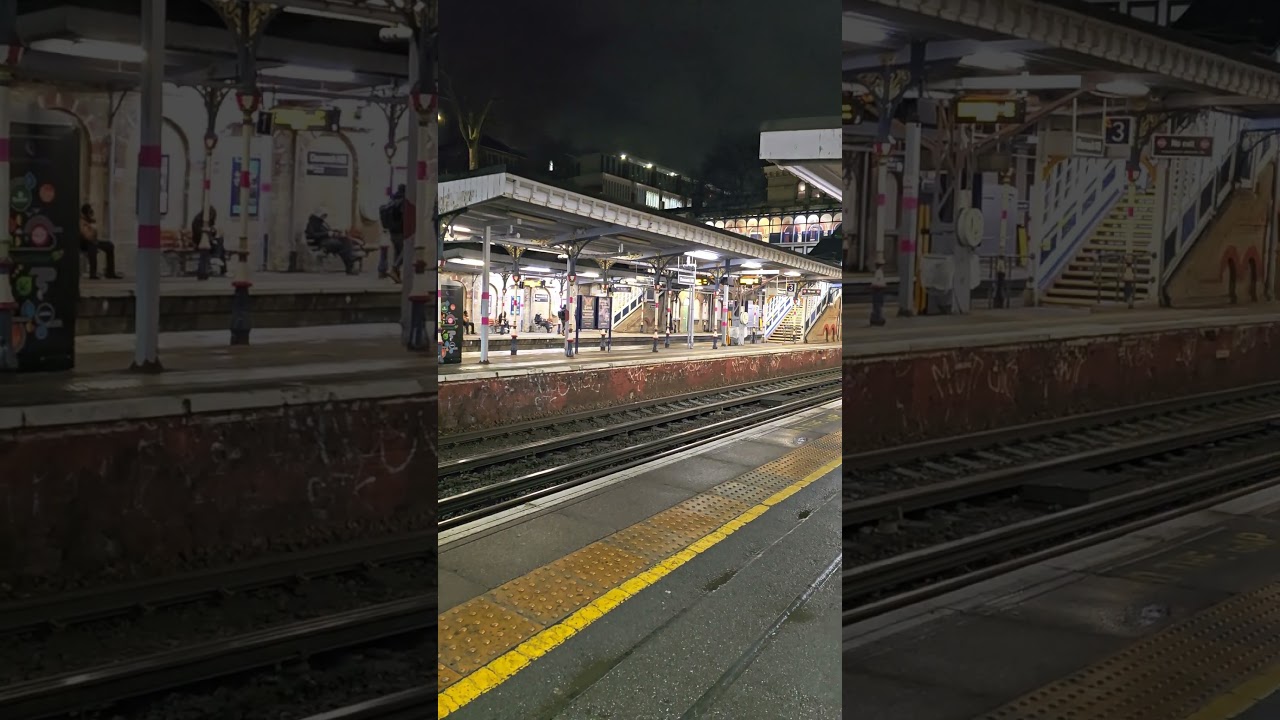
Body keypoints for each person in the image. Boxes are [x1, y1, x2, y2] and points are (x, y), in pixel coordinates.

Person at [304, 209, 358, 274]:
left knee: (346, 240)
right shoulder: (311, 224)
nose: (324, 217)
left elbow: (327, 231)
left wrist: (334, 231)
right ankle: (350, 263)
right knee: (343, 246)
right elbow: (312, 235)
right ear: (318, 215)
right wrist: (327, 233)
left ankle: (350, 263)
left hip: (328, 240)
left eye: (324, 216)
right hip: (322, 242)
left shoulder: (322, 223)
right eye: (323, 215)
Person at [79, 204, 121, 279]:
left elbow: (94, 235)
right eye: (89, 212)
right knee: (92, 247)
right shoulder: (81, 221)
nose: (91, 214)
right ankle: (93, 274)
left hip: (93, 241)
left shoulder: (91, 221)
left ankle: (110, 273)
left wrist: (92, 226)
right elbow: (87, 236)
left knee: (109, 245)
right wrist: (91, 227)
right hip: (83, 243)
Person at [378, 185, 406, 283]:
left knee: (397, 252)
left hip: (392, 231)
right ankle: (394, 268)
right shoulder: (403, 202)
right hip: (400, 231)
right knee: (406, 251)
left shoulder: (392, 201)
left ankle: (396, 276)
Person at [191, 206, 226, 280]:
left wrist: (214, 232)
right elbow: (197, 234)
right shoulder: (197, 220)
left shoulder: (209, 221)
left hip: (209, 241)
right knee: (219, 246)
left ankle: (218, 260)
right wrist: (209, 233)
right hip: (199, 242)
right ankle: (217, 258)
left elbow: (212, 231)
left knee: (220, 241)